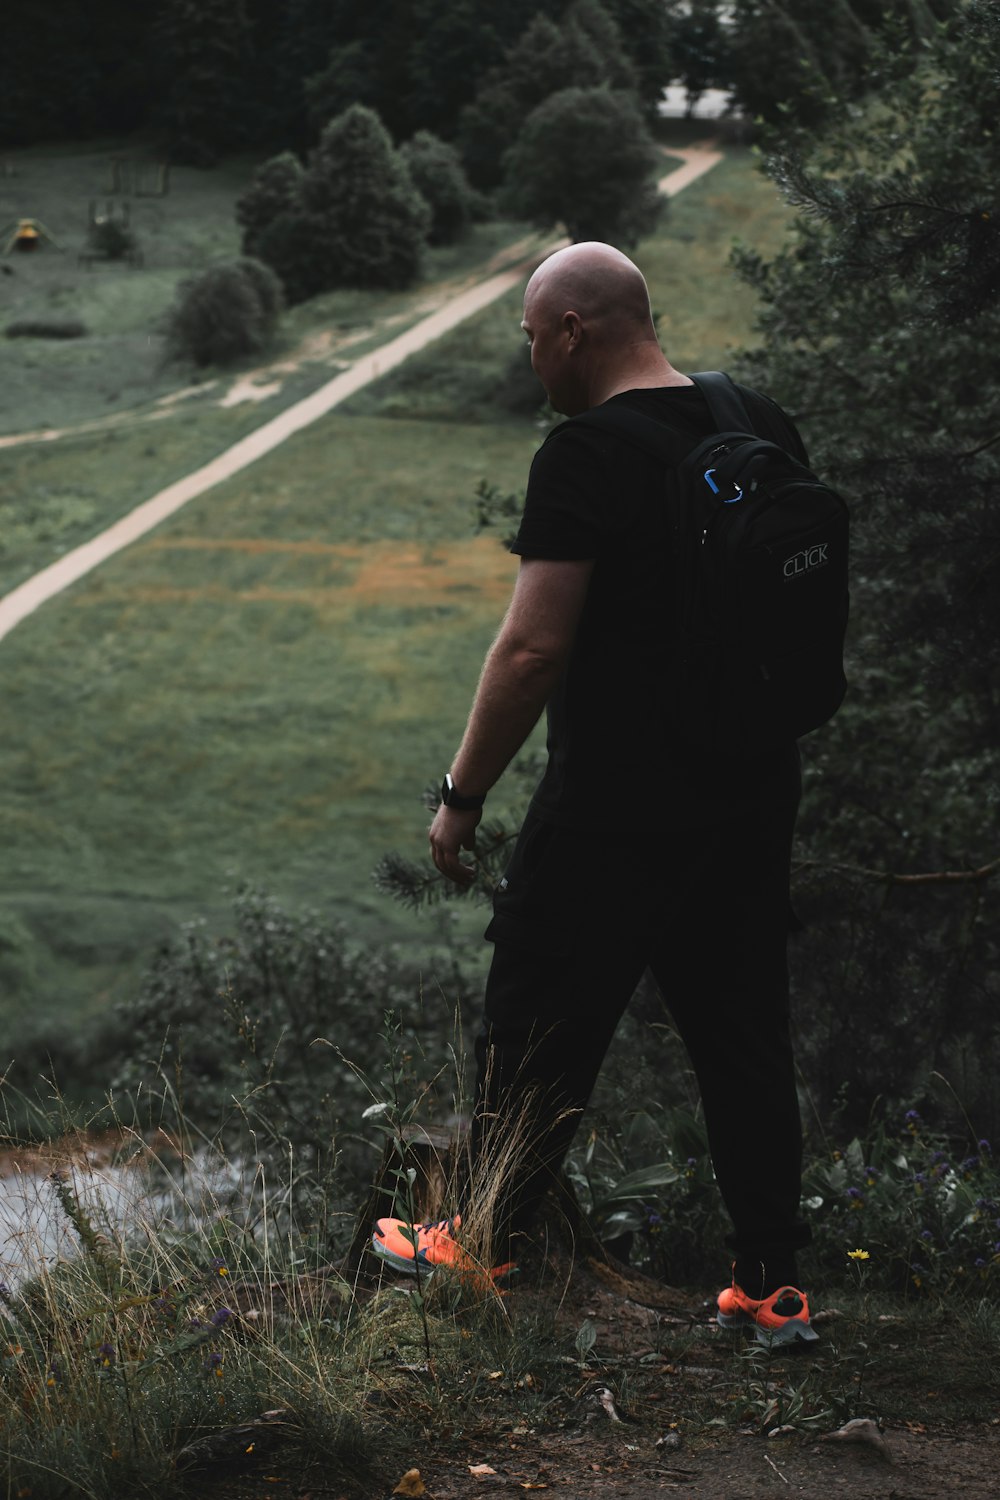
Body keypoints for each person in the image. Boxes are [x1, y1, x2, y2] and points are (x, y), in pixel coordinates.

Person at [373, 242, 816, 1344]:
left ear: (573, 329)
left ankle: (474, 1245)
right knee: (744, 1040)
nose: (531, 363)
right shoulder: (753, 419)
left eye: (532, 340)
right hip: (750, 796)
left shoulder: (585, 454)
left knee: (532, 1024)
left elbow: (529, 651)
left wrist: (460, 795)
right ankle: (773, 1291)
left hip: (616, 807)